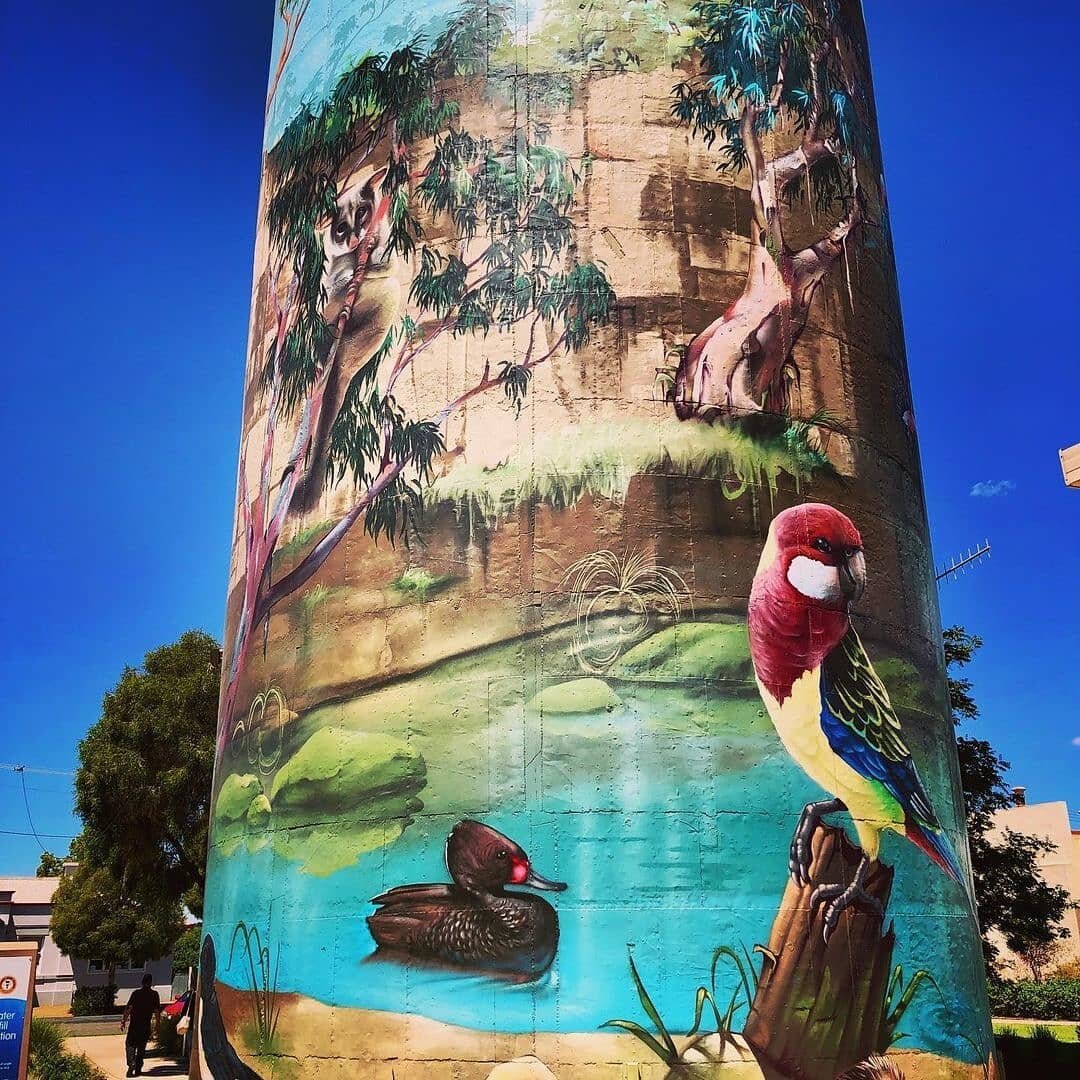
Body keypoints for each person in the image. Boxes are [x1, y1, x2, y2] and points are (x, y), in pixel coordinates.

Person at [121, 973, 161, 1077]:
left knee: (130, 1044)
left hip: (134, 1024)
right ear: (151, 983)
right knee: (141, 1047)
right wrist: (157, 1024)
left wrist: (123, 1020)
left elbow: (129, 1007)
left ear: (142, 982)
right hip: (145, 1024)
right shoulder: (154, 994)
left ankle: (131, 1063)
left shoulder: (136, 993)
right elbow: (157, 1010)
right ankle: (138, 1068)